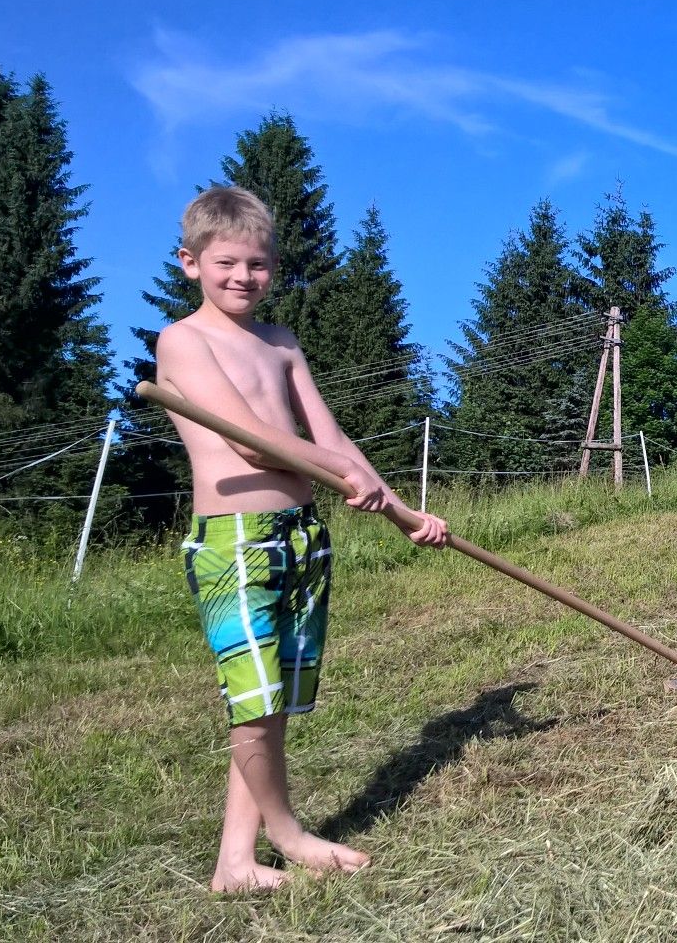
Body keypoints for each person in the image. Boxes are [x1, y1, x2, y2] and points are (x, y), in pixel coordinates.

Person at [155, 185, 449, 892]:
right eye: (226, 263)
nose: (242, 277)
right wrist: (345, 472)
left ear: (274, 267)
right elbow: (251, 442)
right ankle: (286, 834)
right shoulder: (183, 341)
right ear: (190, 262)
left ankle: (235, 862)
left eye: (257, 264)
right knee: (253, 699)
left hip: (301, 536)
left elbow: (331, 437)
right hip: (235, 540)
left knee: (273, 699)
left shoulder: (281, 343)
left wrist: (401, 511)